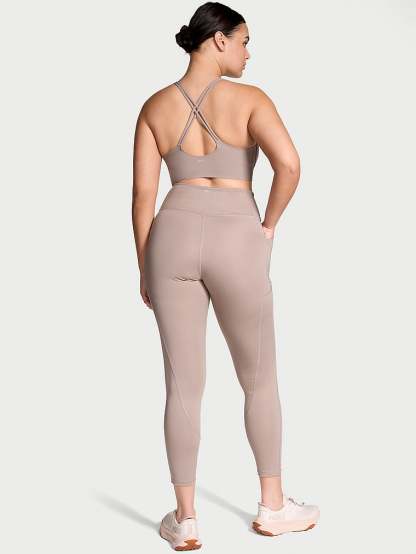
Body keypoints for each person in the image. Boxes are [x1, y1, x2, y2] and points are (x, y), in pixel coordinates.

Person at [132, 2, 319, 549]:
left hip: (170, 236)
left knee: (182, 384)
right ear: (218, 40)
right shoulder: (251, 99)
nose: (247, 52)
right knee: (259, 377)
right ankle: (273, 506)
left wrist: (145, 264)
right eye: (244, 40)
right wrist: (268, 225)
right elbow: (290, 165)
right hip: (237, 233)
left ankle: (186, 518)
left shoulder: (153, 106)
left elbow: (143, 196)